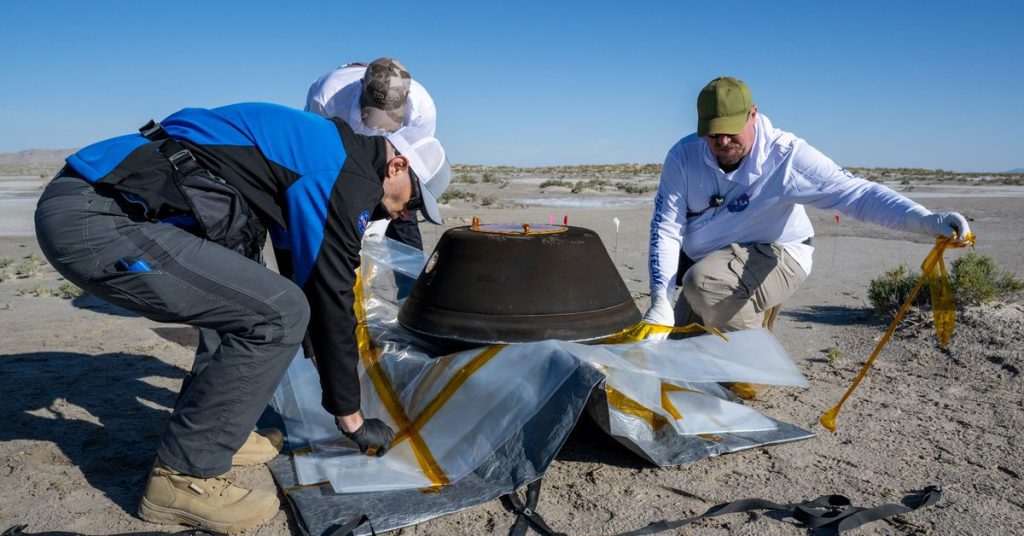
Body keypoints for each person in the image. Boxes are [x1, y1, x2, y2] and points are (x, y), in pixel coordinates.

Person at [34, 102, 451, 532]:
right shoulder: (345, 176)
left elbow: (302, 267)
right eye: (413, 201)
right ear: (396, 165)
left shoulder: (330, 151)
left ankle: (216, 431)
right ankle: (183, 477)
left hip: (100, 204)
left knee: (250, 296)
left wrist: (316, 352)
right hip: (98, 218)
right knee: (279, 313)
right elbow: (329, 294)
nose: (406, 215)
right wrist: (350, 417)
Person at [645, 76, 971, 333]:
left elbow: (857, 194)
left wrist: (925, 220)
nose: (722, 142)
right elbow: (667, 227)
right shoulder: (683, 156)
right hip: (715, 259)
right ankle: (741, 319)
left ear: (753, 115)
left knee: (703, 285)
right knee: (680, 343)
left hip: (779, 252)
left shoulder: (787, 157)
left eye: (731, 131)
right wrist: (660, 298)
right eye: (713, 134)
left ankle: (753, 370)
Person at [305, 57, 437, 252]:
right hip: (342, 162)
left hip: (392, 171)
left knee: (405, 229)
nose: (377, 126)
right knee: (335, 232)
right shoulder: (327, 96)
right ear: (361, 87)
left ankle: (412, 282)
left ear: (407, 96)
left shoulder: (422, 108)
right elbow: (318, 156)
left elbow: (416, 167)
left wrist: (392, 210)